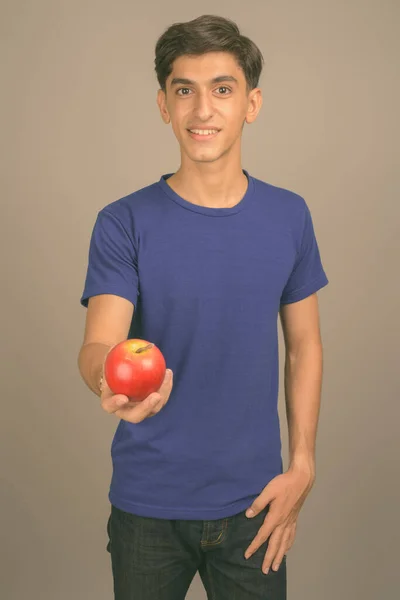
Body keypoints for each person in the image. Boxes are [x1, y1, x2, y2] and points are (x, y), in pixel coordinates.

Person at [78, 14, 329, 600]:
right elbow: (98, 344)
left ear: (252, 103)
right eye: (183, 89)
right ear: (164, 105)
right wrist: (104, 382)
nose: (202, 109)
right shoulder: (123, 222)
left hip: (256, 505)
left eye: (222, 88)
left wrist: (303, 465)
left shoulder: (289, 216)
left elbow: (305, 345)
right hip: (147, 508)